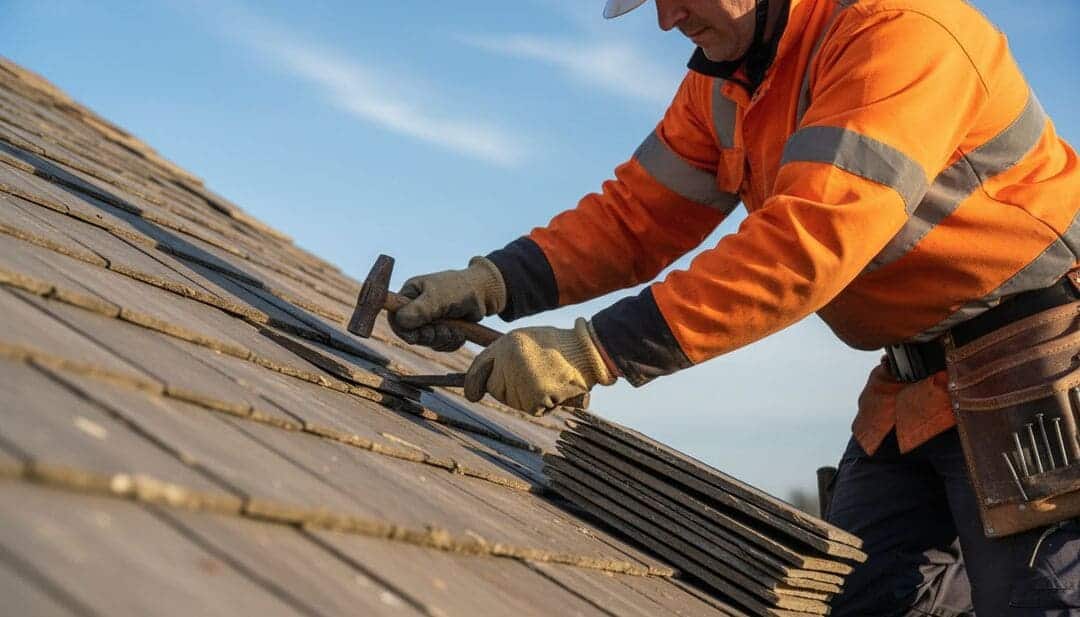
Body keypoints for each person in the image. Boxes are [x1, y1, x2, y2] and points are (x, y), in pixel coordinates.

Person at [391, 0, 1080, 613]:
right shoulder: (724, 83)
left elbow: (806, 242)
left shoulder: (899, 30)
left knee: (1040, 598)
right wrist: (492, 283)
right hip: (914, 392)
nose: (665, 19)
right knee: (860, 595)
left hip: (1034, 366)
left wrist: (595, 349)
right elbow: (634, 217)